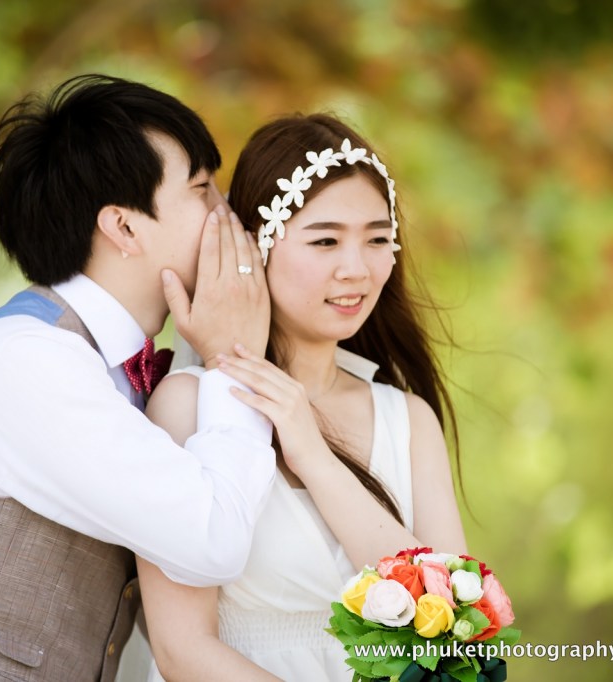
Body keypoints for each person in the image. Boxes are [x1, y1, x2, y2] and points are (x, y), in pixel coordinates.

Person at [0, 74, 283, 682]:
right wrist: (235, 355)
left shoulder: (114, 368)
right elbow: (213, 539)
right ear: (124, 228)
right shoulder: (25, 357)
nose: (227, 211)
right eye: (203, 188)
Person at [137, 113, 469, 681]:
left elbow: (456, 628)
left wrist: (314, 456)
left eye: (377, 239)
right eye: (325, 240)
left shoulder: (408, 421)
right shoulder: (188, 408)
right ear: (253, 246)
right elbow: (181, 649)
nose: (356, 269)